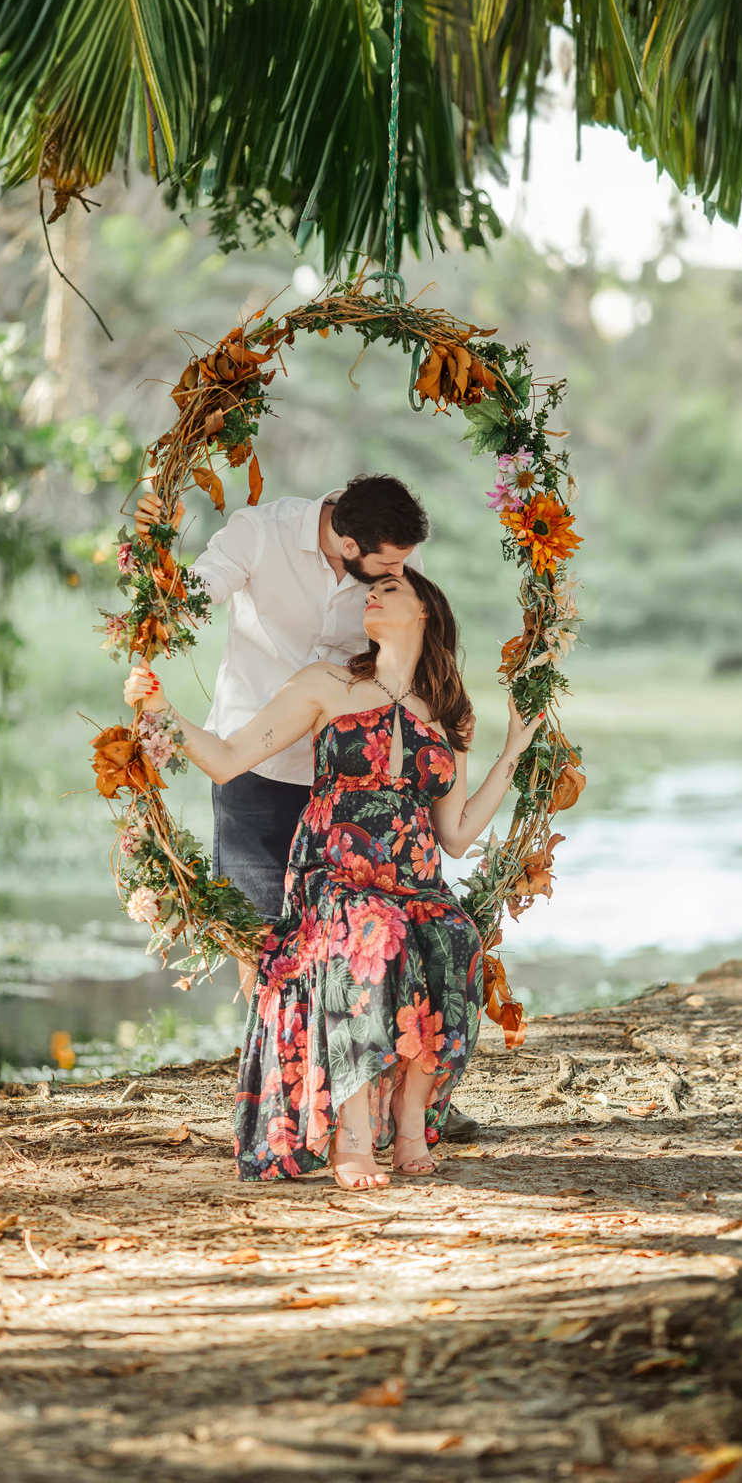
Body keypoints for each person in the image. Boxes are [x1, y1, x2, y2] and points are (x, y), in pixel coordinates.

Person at [124, 569, 542, 1190]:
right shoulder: (327, 685)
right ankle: (350, 1136)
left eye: (392, 588)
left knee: (455, 938)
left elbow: (454, 833)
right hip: (334, 880)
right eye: (370, 589)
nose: (373, 593)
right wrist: (163, 712)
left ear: (426, 611)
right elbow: (230, 756)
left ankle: (408, 1122)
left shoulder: (448, 714)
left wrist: (514, 747)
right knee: (374, 936)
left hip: (415, 879)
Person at [134, 474, 427, 964]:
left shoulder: (393, 554)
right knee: (259, 935)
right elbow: (195, 598)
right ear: (348, 543)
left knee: (343, 940)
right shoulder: (261, 533)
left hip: (344, 775)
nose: (400, 569)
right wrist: (160, 557)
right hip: (251, 761)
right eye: (390, 564)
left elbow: (411, 647)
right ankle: (262, 1041)